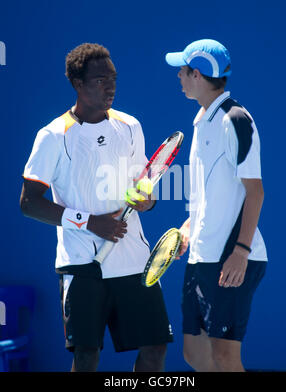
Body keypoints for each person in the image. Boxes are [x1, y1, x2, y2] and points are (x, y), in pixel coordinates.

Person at [20, 43, 173, 372]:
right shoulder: (52, 136)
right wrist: (88, 222)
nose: (111, 86)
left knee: (155, 349)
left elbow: (144, 190)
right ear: (78, 84)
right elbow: (29, 203)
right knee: (87, 358)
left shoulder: (130, 126)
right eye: (101, 80)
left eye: (113, 78)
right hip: (82, 266)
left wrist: (146, 201)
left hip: (134, 263)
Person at [165, 39, 267, 372]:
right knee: (194, 354)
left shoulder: (235, 119)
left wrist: (241, 250)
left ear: (196, 74)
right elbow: (205, 196)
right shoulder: (201, 120)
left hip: (232, 257)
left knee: (224, 358)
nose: (178, 76)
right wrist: (187, 230)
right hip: (201, 256)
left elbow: (255, 192)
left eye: (182, 70)